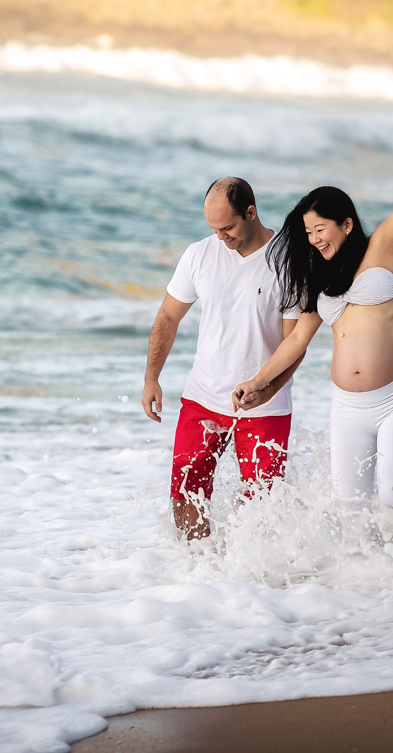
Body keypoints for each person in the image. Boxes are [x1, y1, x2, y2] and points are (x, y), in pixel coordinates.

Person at [232, 111, 393, 522]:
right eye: (308, 233)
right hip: (347, 407)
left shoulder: (384, 247)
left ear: (347, 224)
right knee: (350, 510)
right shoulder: (319, 277)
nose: (315, 239)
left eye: (321, 229)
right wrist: (257, 381)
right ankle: (365, 584)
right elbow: (297, 340)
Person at [142, 177, 303, 541]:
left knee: (263, 507)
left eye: (228, 227)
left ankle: (251, 591)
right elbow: (168, 316)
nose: (220, 237)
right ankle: (199, 577)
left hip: (265, 406)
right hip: (203, 397)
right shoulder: (198, 254)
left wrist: (267, 387)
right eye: (213, 228)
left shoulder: (289, 260)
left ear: (251, 212)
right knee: (185, 493)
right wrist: (152, 377)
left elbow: (295, 343)